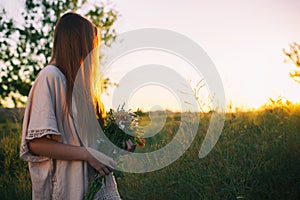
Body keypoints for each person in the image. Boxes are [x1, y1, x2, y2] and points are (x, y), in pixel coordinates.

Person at [20, 12, 135, 200]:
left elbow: (87, 142)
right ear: (76, 43)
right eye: (89, 44)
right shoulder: (51, 77)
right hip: (68, 188)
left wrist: (117, 146)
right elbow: (36, 144)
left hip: (93, 185)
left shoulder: (79, 87)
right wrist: (87, 154)